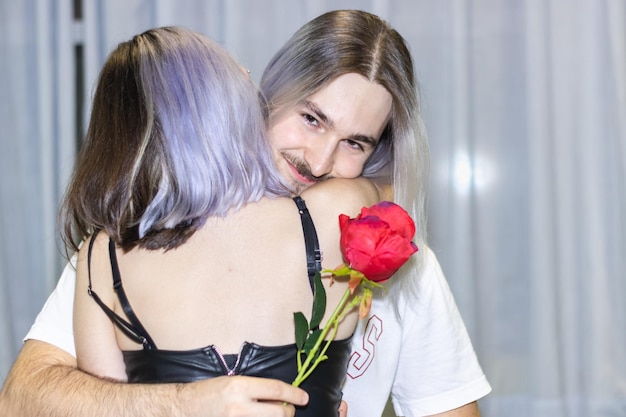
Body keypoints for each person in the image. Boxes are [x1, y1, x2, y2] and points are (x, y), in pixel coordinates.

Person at [0, 9, 490, 417]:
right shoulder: (135, 234)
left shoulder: (396, 254)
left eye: (354, 143)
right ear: (259, 94)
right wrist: (184, 403)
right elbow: (21, 399)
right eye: (312, 118)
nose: (318, 161)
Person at [64, 25, 381, 417]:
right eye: (235, 77)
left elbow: (103, 405)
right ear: (216, 110)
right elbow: (391, 191)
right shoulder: (333, 213)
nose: (250, 82)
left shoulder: (101, 257)